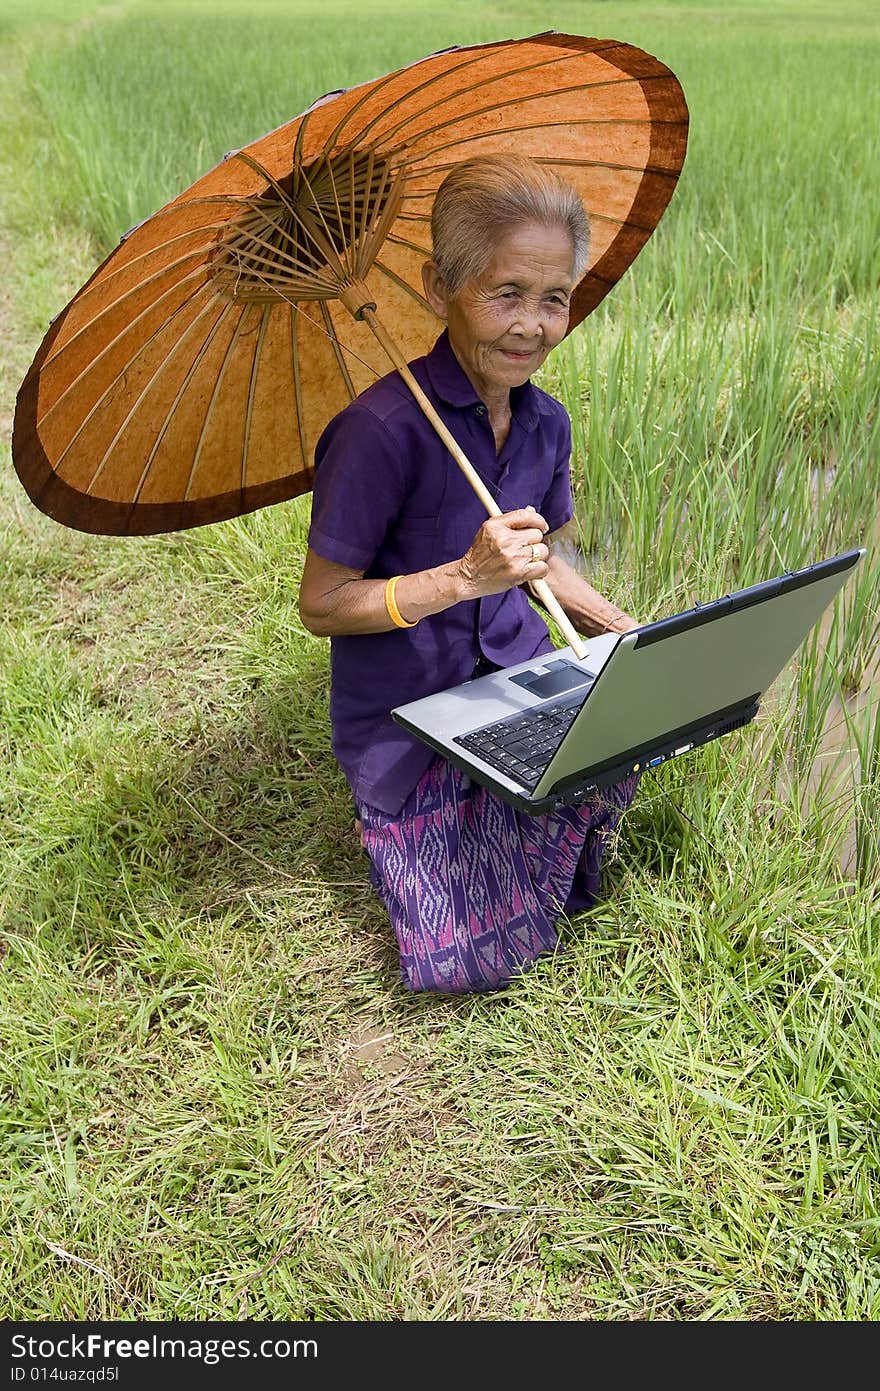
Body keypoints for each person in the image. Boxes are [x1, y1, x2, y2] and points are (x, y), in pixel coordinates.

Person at [299, 153, 640, 995]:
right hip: (410, 717)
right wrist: (460, 576)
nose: (531, 323)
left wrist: (621, 629)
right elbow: (321, 605)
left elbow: (541, 560)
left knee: (629, 736)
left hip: (515, 679)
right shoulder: (377, 432)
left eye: (553, 298)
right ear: (437, 285)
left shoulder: (545, 421)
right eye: (506, 293)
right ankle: (390, 824)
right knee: (480, 955)